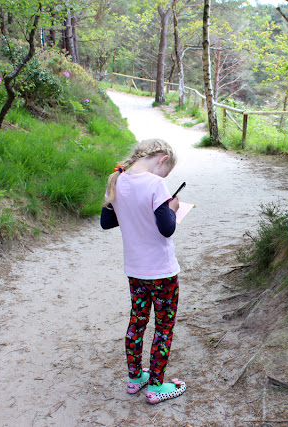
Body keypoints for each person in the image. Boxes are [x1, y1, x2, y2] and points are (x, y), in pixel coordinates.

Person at [103, 138, 186, 404]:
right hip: (162, 273)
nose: (166, 177)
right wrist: (172, 208)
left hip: (135, 271)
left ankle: (135, 377)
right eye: (167, 171)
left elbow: (107, 221)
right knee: (163, 327)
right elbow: (167, 228)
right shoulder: (155, 183)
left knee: (137, 322)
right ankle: (156, 386)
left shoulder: (118, 180)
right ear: (162, 159)